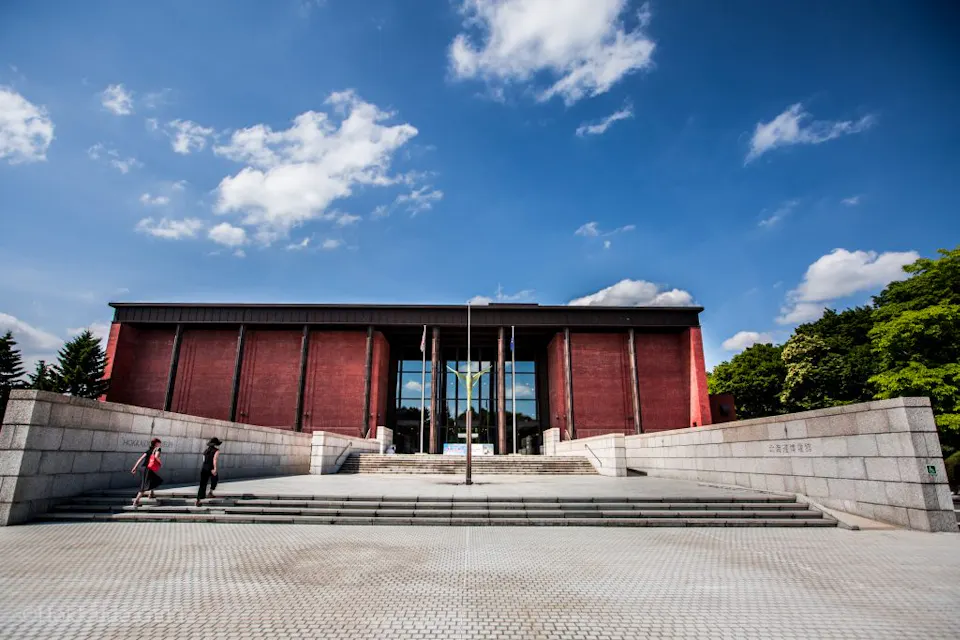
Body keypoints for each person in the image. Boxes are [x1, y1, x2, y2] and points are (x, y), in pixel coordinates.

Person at [131, 438, 162, 507]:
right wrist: (159, 462)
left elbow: (140, 459)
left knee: (155, 479)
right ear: (156, 443)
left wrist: (135, 467)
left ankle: (151, 493)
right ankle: (136, 501)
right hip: (148, 468)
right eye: (159, 443)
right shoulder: (158, 449)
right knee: (144, 486)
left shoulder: (148, 450)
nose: (160, 444)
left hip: (143, 468)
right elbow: (156, 456)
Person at [196, 438, 221, 507]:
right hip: (211, 468)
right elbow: (215, 460)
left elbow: (204, 460)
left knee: (202, 484)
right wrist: (215, 469)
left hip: (204, 468)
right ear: (216, 444)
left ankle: (198, 500)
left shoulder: (205, 451)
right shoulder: (216, 451)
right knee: (215, 479)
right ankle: (210, 492)